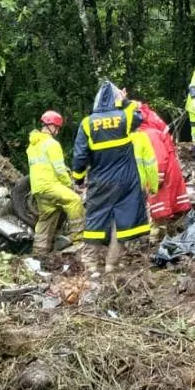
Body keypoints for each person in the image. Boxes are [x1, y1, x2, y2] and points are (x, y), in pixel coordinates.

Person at [71, 81, 148, 278]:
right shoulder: (124, 116)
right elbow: (140, 116)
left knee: (96, 219)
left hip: (101, 179)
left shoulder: (87, 124)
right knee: (122, 220)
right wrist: (125, 100)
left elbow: (79, 156)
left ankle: (91, 265)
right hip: (127, 180)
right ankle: (112, 264)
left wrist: (78, 178)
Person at [26, 110, 85, 256]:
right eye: (57, 128)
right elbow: (59, 169)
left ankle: (39, 253)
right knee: (75, 201)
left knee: (47, 217)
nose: (57, 131)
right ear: (51, 126)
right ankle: (79, 239)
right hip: (50, 185)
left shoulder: (33, 145)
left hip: (38, 189)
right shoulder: (52, 144)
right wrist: (70, 185)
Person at [137, 103, 191, 223]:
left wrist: (156, 178)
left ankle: (159, 235)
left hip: (162, 175)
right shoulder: (151, 130)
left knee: (162, 210)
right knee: (169, 209)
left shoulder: (148, 134)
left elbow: (159, 158)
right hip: (167, 172)